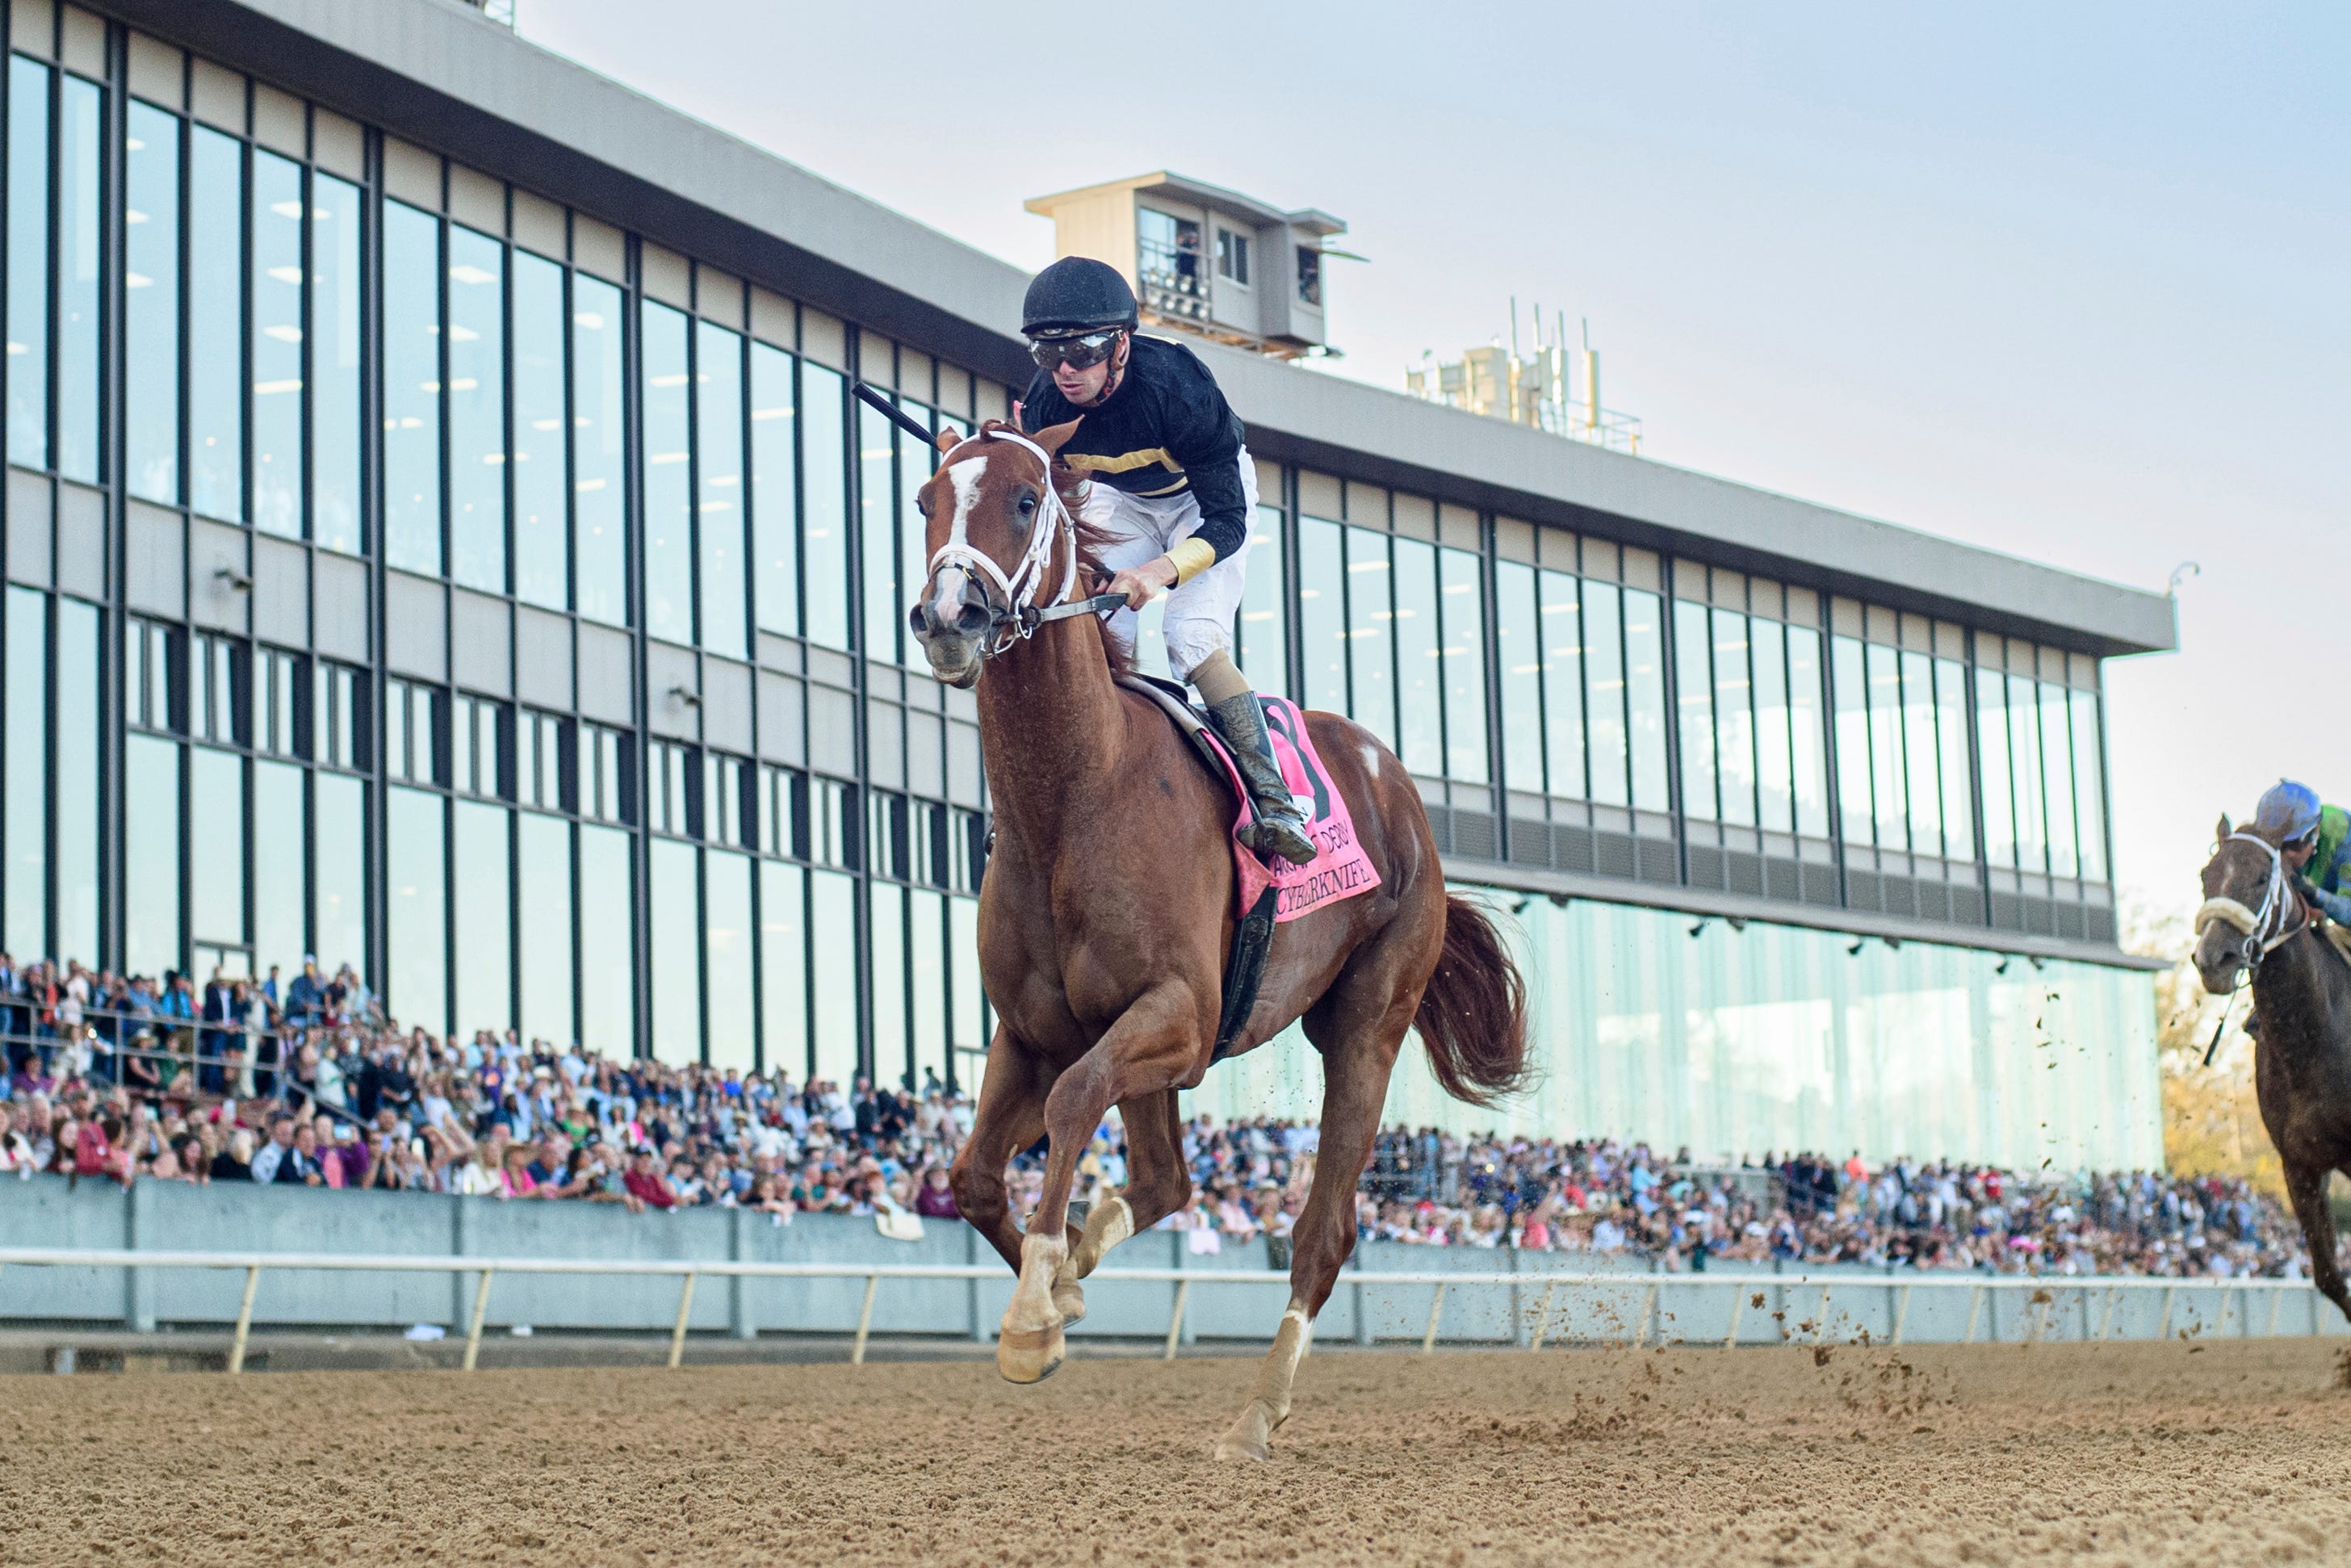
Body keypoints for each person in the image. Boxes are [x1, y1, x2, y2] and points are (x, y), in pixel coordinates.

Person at [1016, 256, 1314, 866]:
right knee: (1093, 631)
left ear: (1121, 344)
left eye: (1082, 351)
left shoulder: (1179, 388)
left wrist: (1157, 573)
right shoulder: (1047, 403)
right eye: (1048, 353)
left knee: (1190, 635)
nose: (1066, 370)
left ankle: (1275, 800)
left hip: (1203, 503)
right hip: (1120, 501)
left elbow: (1227, 522)